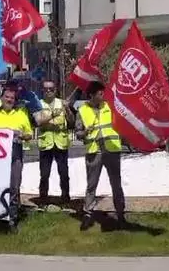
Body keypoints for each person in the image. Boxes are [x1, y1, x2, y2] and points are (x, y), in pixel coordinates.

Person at [75, 81, 126, 231]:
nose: (103, 95)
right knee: (91, 186)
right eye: (100, 93)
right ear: (91, 95)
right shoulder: (82, 110)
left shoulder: (110, 107)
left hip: (112, 150)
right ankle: (87, 215)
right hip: (94, 151)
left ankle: (121, 214)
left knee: (116, 184)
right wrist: (84, 132)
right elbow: (78, 133)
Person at [0, 84, 33, 233]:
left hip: (15, 155)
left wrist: (22, 135)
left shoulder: (21, 115)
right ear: (1, 98)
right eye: (7, 97)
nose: (9, 100)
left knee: (14, 187)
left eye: (12, 98)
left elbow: (29, 134)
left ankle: (12, 219)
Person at [34, 80, 73, 205]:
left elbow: (71, 122)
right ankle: (43, 199)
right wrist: (52, 115)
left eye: (51, 89)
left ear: (55, 90)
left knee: (64, 173)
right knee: (44, 174)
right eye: (46, 89)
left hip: (61, 143)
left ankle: (65, 198)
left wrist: (67, 109)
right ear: (42, 90)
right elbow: (38, 121)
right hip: (46, 144)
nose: (48, 91)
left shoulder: (62, 103)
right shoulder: (38, 104)